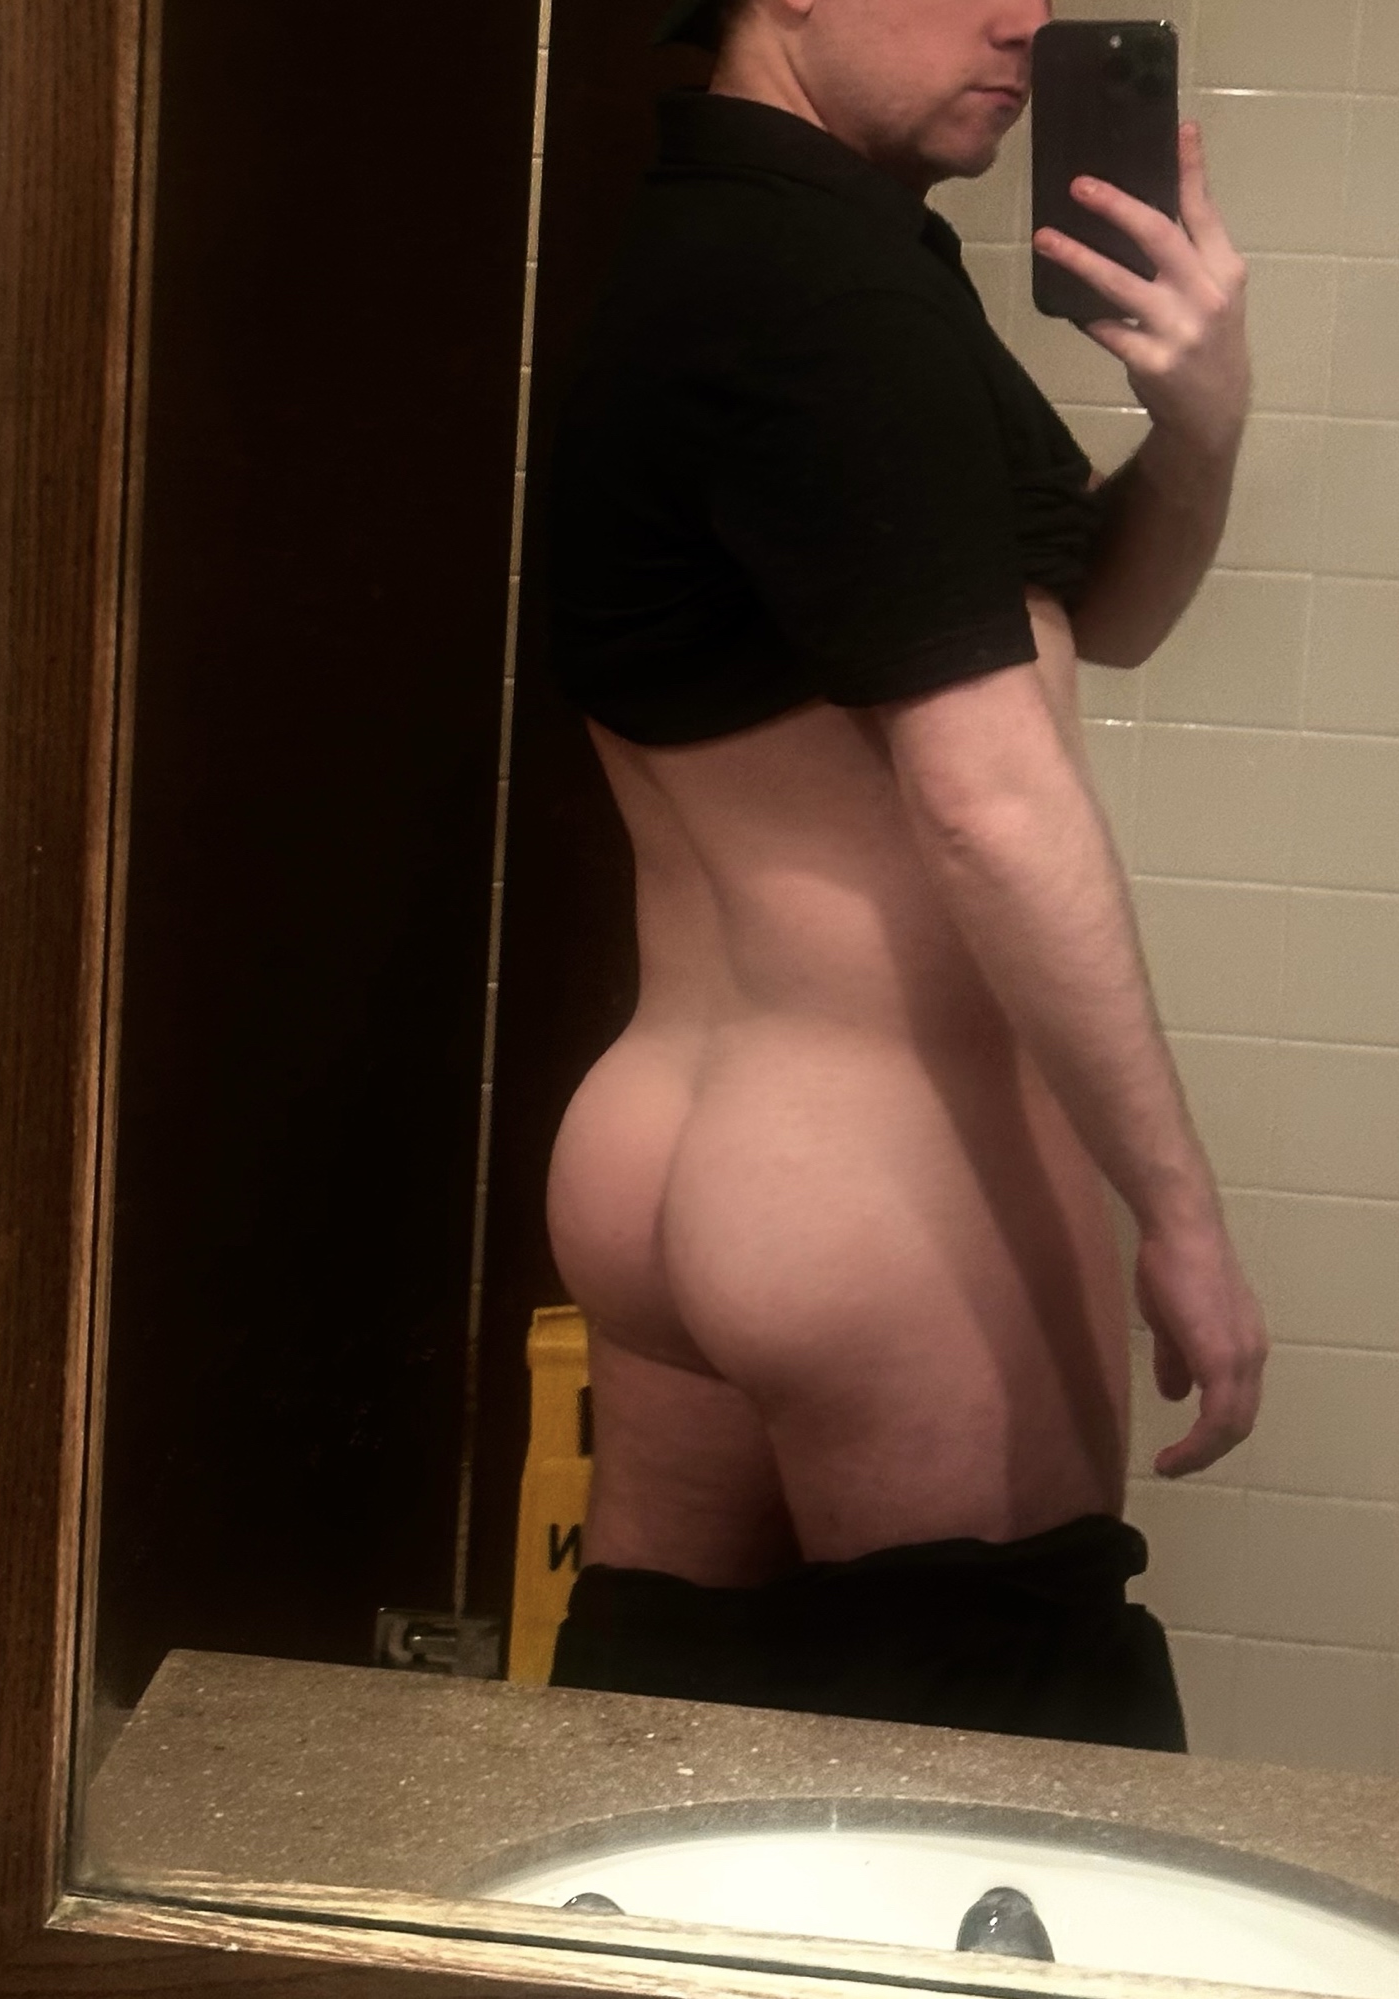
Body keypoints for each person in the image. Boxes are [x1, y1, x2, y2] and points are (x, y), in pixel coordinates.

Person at [543, 0, 1267, 1753]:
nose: (1028, 18)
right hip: (875, 1179)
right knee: (1005, 1808)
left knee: (654, 1792)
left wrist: (1199, 427)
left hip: (665, 1151)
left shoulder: (726, 244)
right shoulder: (836, 297)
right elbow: (992, 802)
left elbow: (1095, 620)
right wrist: (1179, 1214)